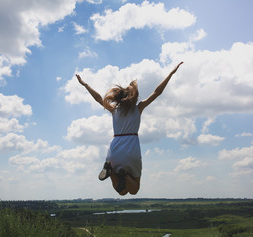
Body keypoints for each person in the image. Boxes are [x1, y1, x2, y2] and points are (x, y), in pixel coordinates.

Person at [76, 62, 183, 195]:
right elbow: (157, 92)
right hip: (132, 149)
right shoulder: (138, 108)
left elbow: (98, 98)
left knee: (121, 192)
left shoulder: (114, 110)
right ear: (134, 96)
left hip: (114, 152)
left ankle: (113, 172)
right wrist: (171, 74)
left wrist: (85, 85)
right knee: (134, 190)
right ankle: (125, 176)